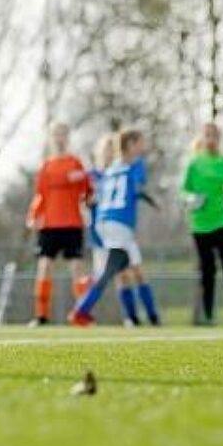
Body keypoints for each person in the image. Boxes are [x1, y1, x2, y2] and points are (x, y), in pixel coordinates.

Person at [71, 129, 160, 327]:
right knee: (110, 272)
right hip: (119, 224)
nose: (143, 146)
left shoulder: (110, 171)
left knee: (129, 271)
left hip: (105, 223)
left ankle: (140, 319)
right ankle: (81, 310)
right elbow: (137, 187)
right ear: (131, 145)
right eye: (140, 142)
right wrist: (151, 198)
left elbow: (96, 194)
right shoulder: (134, 166)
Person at [26, 122, 94, 326]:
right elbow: (40, 195)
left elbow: (88, 192)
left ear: (68, 137)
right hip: (49, 225)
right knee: (44, 265)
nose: (60, 138)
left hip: (72, 222)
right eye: (56, 134)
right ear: (50, 138)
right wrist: (33, 215)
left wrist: (87, 193)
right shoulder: (45, 166)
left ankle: (82, 315)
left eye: (63, 134)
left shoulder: (76, 163)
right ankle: (41, 316)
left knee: (76, 268)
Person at [183, 121, 223, 326]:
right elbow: (183, 191)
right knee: (207, 271)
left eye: (214, 136)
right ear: (202, 138)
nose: (210, 139)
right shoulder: (194, 164)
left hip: (222, 223)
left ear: (219, 139)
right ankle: (208, 315)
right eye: (207, 135)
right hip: (200, 226)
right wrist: (191, 199)